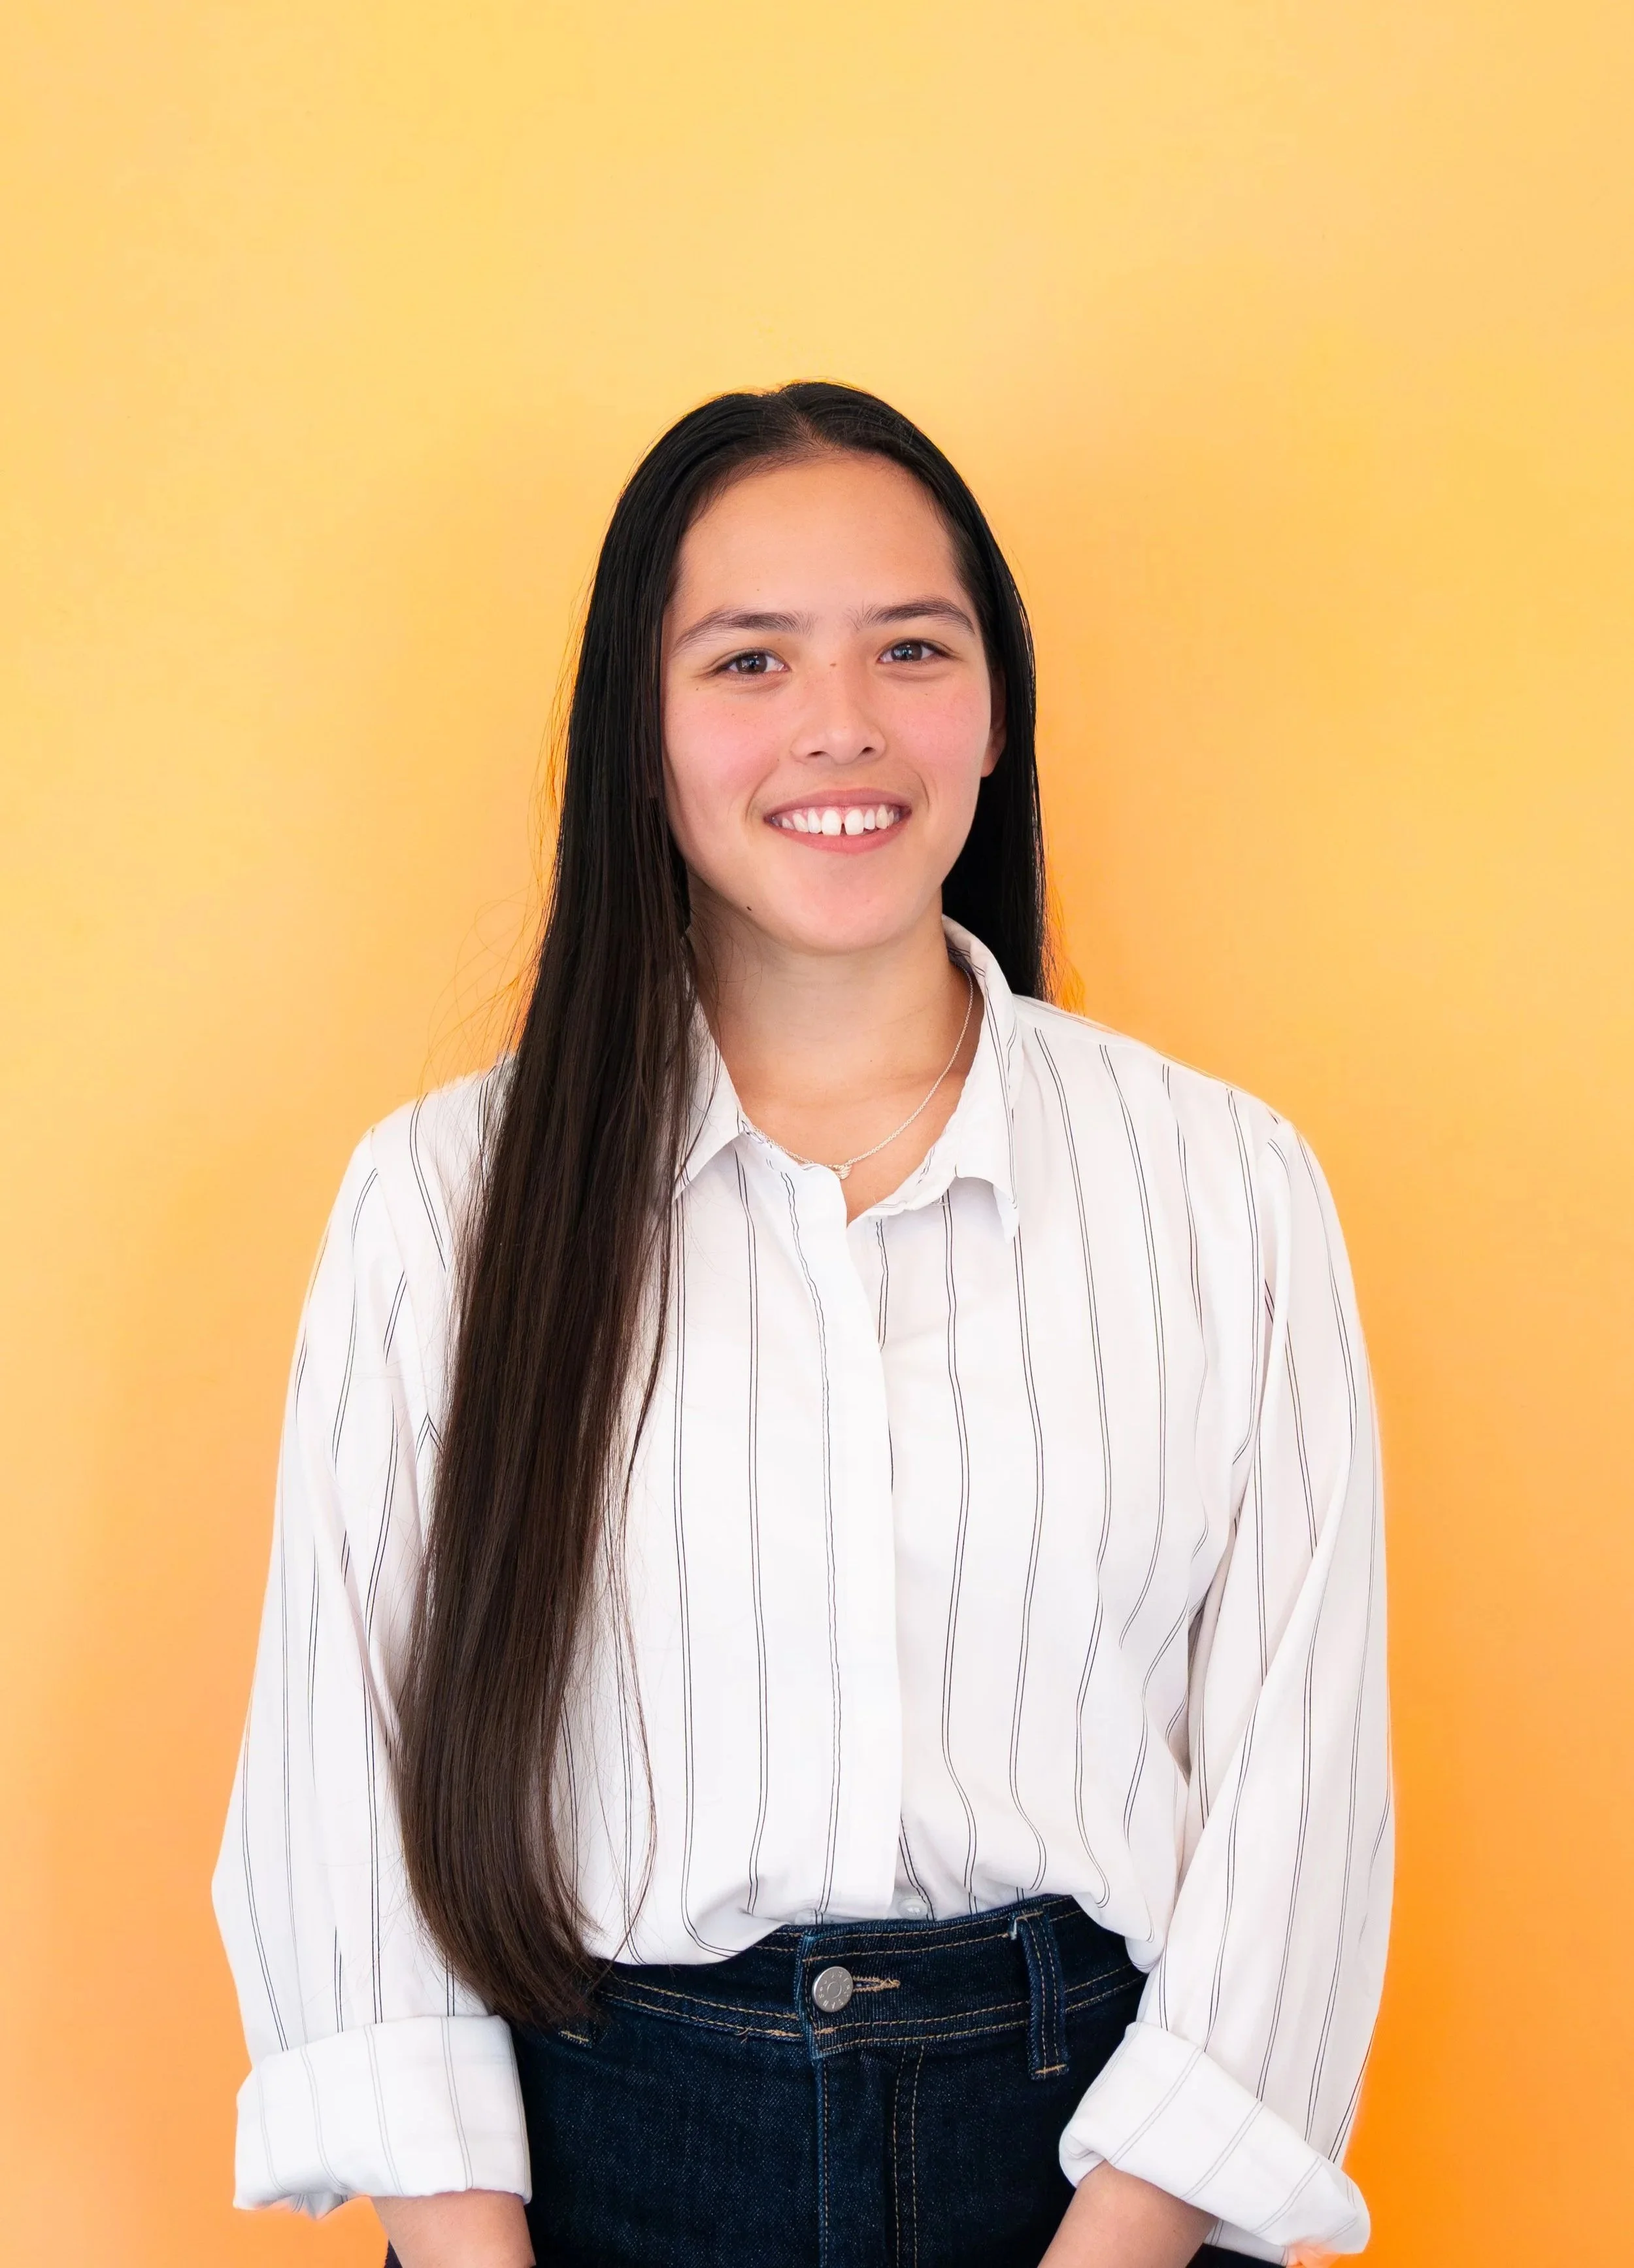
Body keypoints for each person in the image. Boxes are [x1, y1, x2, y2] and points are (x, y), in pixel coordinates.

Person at [214, 382, 1391, 2268]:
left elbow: (1298, 1777)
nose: (839, 725)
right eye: (747, 658)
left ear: (991, 702)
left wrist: (1123, 2239)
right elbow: (340, 1776)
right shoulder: (444, 1199)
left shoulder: (1220, 1184)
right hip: (593, 2170)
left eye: (909, 649)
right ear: (642, 730)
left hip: (1091, 2177)